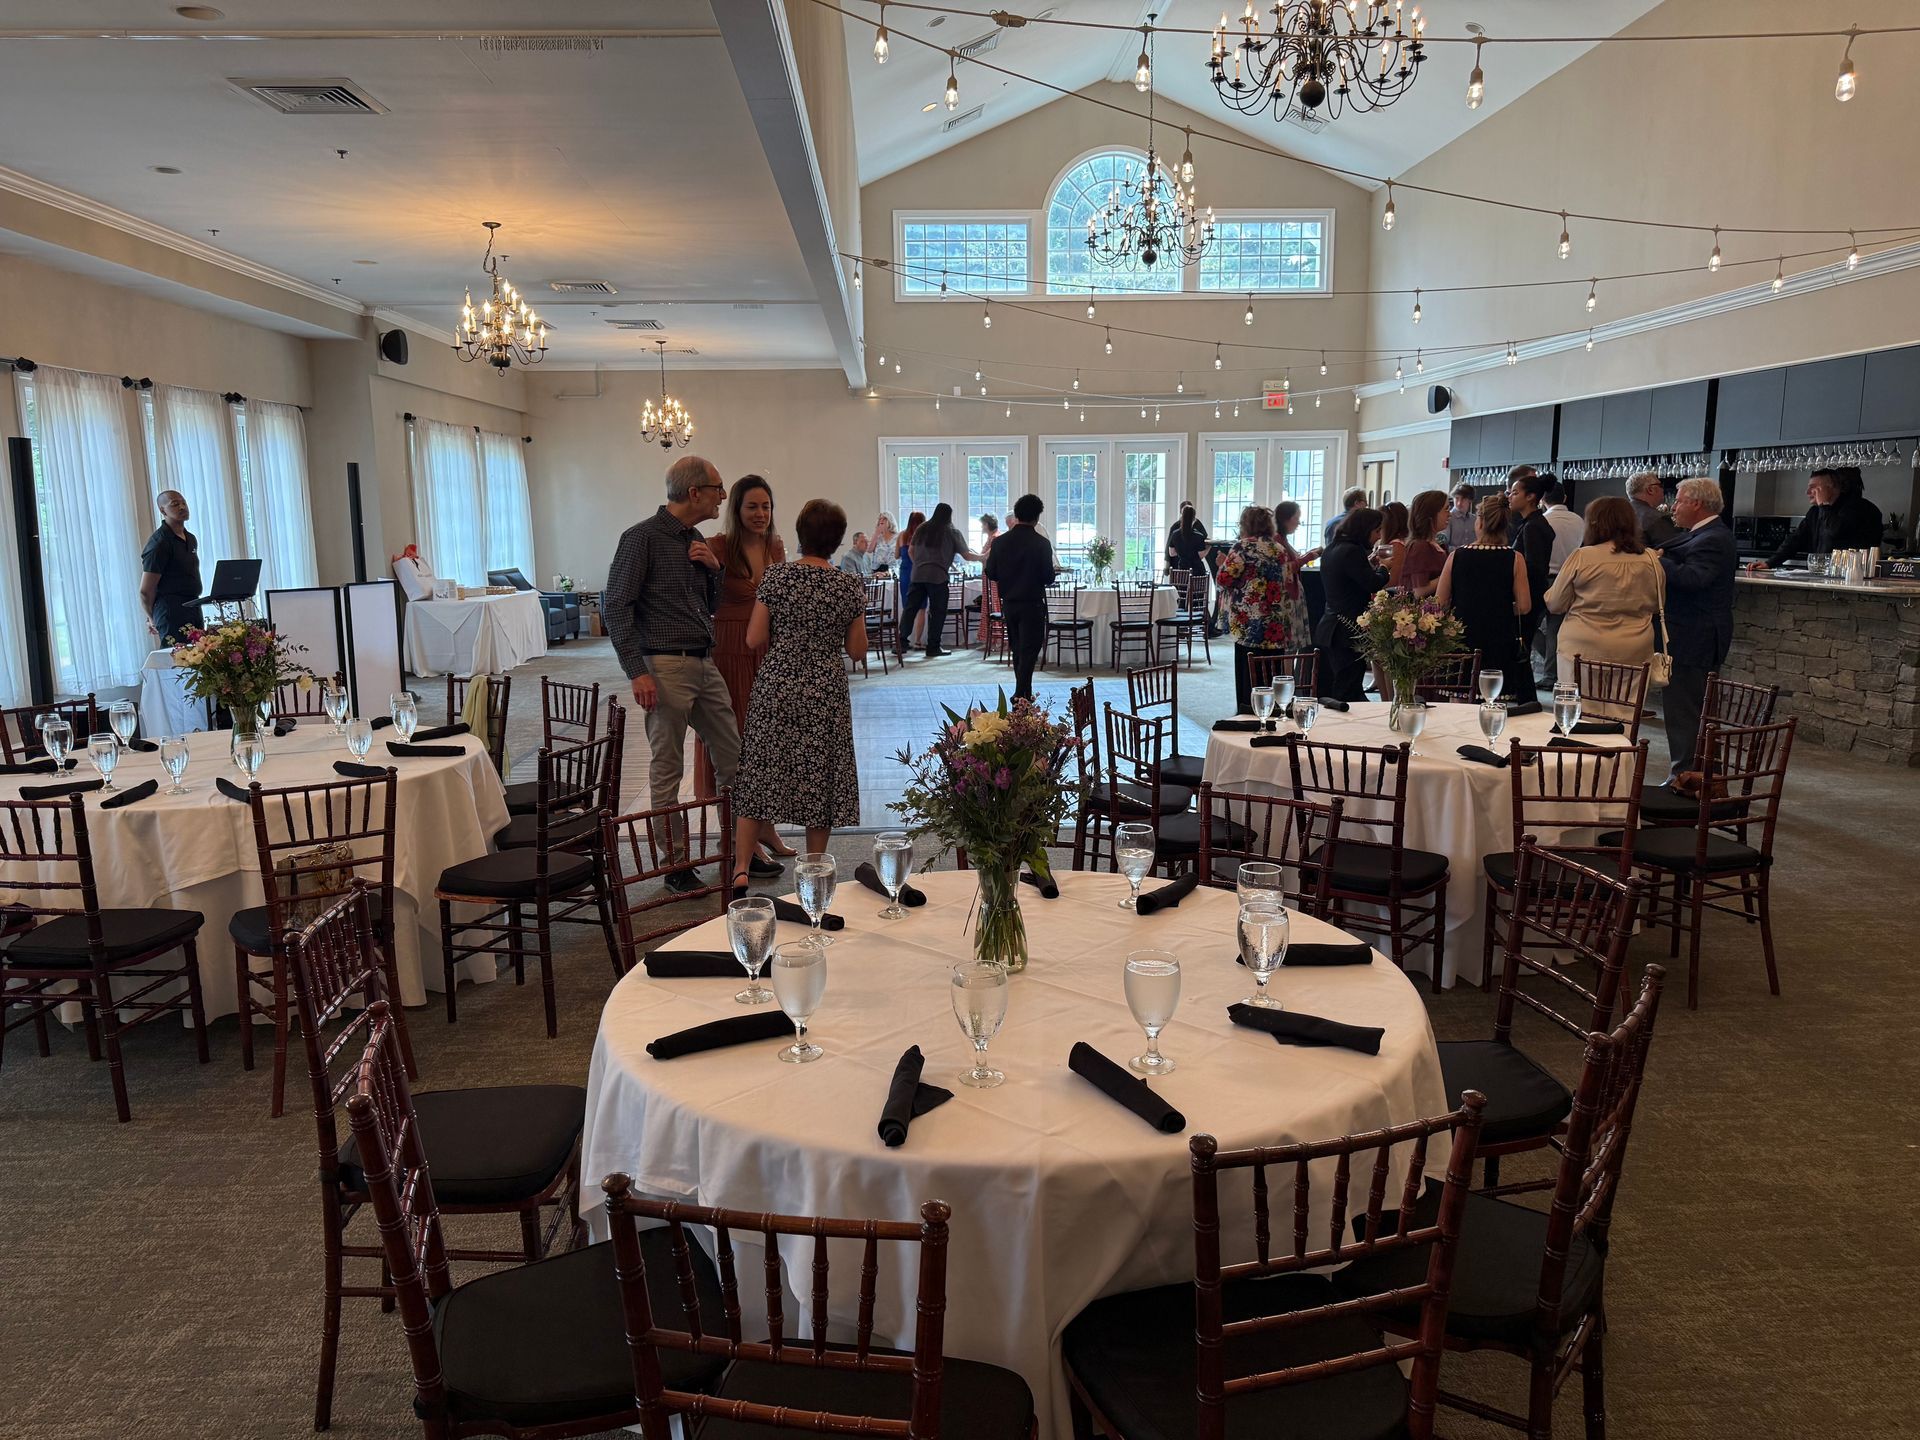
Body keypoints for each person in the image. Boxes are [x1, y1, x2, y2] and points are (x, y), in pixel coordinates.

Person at [603, 455, 737, 892]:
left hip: (703, 660)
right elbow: (616, 606)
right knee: (667, 768)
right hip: (662, 664)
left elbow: (709, 607)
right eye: (718, 487)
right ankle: (675, 865)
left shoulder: (696, 538)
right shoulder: (641, 538)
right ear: (694, 492)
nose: (723, 495)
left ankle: (737, 851)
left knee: (735, 758)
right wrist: (636, 671)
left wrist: (714, 571)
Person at [730, 500, 867, 891]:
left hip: (777, 684)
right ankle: (813, 870)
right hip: (824, 688)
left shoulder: (775, 578)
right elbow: (857, 651)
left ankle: (741, 867)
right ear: (838, 540)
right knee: (819, 773)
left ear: (798, 533)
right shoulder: (847, 584)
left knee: (759, 771)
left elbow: (754, 637)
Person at [693, 474, 788, 877]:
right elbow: (699, 600)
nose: (760, 514)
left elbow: (782, 598)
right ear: (736, 509)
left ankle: (765, 828)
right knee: (732, 742)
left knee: (764, 741)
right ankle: (733, 836)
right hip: (729, 648)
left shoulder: (775, 546)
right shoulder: (716, 546)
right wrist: (717, 570)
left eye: (766, 506)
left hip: (766, 650)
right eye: (752, 506)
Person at [1543, 496, 1666, 713]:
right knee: (1625, 713)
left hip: (1582, 646)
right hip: (1634, 647)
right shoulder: (1650, 559)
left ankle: (1584, 747)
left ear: (1594, 523)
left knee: (1581, 714)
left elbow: (1555, 603)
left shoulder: (1582, 557)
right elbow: (1658, 604)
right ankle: (1622, 747)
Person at [1659, 478, 1738, 784]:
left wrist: (1660, 563)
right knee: (1693, 711)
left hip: (1696, 636)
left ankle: (1686, 777)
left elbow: (1694, 579)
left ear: (1696, 503)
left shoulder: (1713, 538)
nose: (1673, 507)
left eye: (1678, 501)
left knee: (1686, 712)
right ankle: (1700, 775)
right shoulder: (1699, 534)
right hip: (1693, 633)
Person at [1217, 504, 1314, 714]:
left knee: (1247, 670)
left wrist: (1223, 565)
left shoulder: (1242, 547)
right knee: (1272, 670)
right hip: (1275, 621)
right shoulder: (1278, 549)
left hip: (1248, 622)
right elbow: (1287, 579)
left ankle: (1247, 712)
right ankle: (1272, 710)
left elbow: (1224, 579)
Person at [1435, 495, 1533, 701]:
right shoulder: (1514, 558)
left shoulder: (1457, 556)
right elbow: (1524, 606)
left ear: (1479, 522)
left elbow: (1439, 603)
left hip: (1462, 636)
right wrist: (1500, 606)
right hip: (1499, 636)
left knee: (1459, 701)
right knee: (1495, 700)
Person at [983, 493, 1059, 701]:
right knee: (1030, 649)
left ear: (1016, 515)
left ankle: (1023, 693)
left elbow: (991, 572)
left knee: (1017, 648)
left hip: (1009, 603)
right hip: (1032, 603)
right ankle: (1021, 692)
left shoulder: (1000, 543)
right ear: (1037, 518)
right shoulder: (1041, 543)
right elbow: (1048, 577)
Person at [1313, 506, 1387, 703]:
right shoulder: (1352, 551)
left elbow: (1349, 579)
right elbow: (1372, 583)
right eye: (1377, 531)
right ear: (1365, 529)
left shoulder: (1332, 548)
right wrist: (1385, 568)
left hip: (1331, 624)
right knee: (1348, 686)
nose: (1378, 537)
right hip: (1347, 629)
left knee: (1342, 682)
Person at [1753, 467, 1884, 569]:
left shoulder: (1859, 508)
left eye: (1814, 488)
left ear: (1831, 488)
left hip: (1853, 577)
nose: (1807, 493)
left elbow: (1836, 531)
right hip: (1821, 575)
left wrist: (1823, 505)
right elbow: (1795, 540)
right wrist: (1770, 563)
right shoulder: (1815, 512)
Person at [898, 502, 976, 659]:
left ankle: (901, 642)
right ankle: (933, 646)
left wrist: (918, 565)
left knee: (910, 609)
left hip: (918, 575)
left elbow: (911, 550)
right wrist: (983, 556)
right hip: (938, 577)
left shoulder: (922, 528)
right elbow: (966, 555)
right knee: (937, 612)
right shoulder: (952, 531)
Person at [1532, 479, 1586, 686]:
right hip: (1567, 578)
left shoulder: (1542, 521)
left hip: (1542, 578)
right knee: (1556, 629)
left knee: (1528, 626)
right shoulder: (1578, 521)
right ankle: (1551, 673)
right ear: (1564, 498)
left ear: (1542, 499)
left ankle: (1549, 669)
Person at [1505, 469, 1553, 688]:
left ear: (1530, 497)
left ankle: (1522, 692)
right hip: (1533, 591)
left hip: (1530, 593)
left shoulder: (1533, 526)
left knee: (1522, 643)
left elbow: (1533, 566)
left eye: (1515, 492)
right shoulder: (1531, 523)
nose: (1510, 496)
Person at [140, 489, 203, 644]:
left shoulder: (190, 538)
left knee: (201, 660)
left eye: (184, 503)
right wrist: (152, 617)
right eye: (175, 504)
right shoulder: (159, 543)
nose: (182, 507)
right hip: (171, 611)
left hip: (193, 606)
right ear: (163, 510)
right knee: (178, 662)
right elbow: (145, 591)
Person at [1399, 490, 1450, 598]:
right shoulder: (1420, 547)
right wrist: (1448, 575)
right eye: (1446, 509)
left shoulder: (1436, 544)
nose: (1449, 514)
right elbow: (1419, 591)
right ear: (1432, 514)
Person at [895, 509, 925, 647]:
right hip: (919, 573)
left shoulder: (902, 535)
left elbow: (896, 555)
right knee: (921, 608)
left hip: (905, 573)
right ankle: (918, 641)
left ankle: (904, 639)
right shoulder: (923, 536)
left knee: (908, 608)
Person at [1628, 473, 1681, 549]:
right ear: (1650, 490)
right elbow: (1672, 550)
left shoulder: (1620, 513)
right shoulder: (1657, 518)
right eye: (1660, 486)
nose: (1663, 489)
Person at [1165, 502, 1209, 576]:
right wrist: (1209, 547)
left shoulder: (1175, 533)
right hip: (1196, 570)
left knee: (1181, 587)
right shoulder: (1198, 535)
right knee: (1196, 587)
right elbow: (1201, 555)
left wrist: (1182, 552)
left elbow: (1171, 553)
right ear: (1194, 518)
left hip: (1182, 569)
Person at [1442, 482, 1478, 550]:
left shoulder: (1475, 519)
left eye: (1463, 499)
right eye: (1457, 498)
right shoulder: (1447, 518)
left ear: (1470, 500)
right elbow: (1444, 546)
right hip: (1453, 557)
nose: (1459, 503)